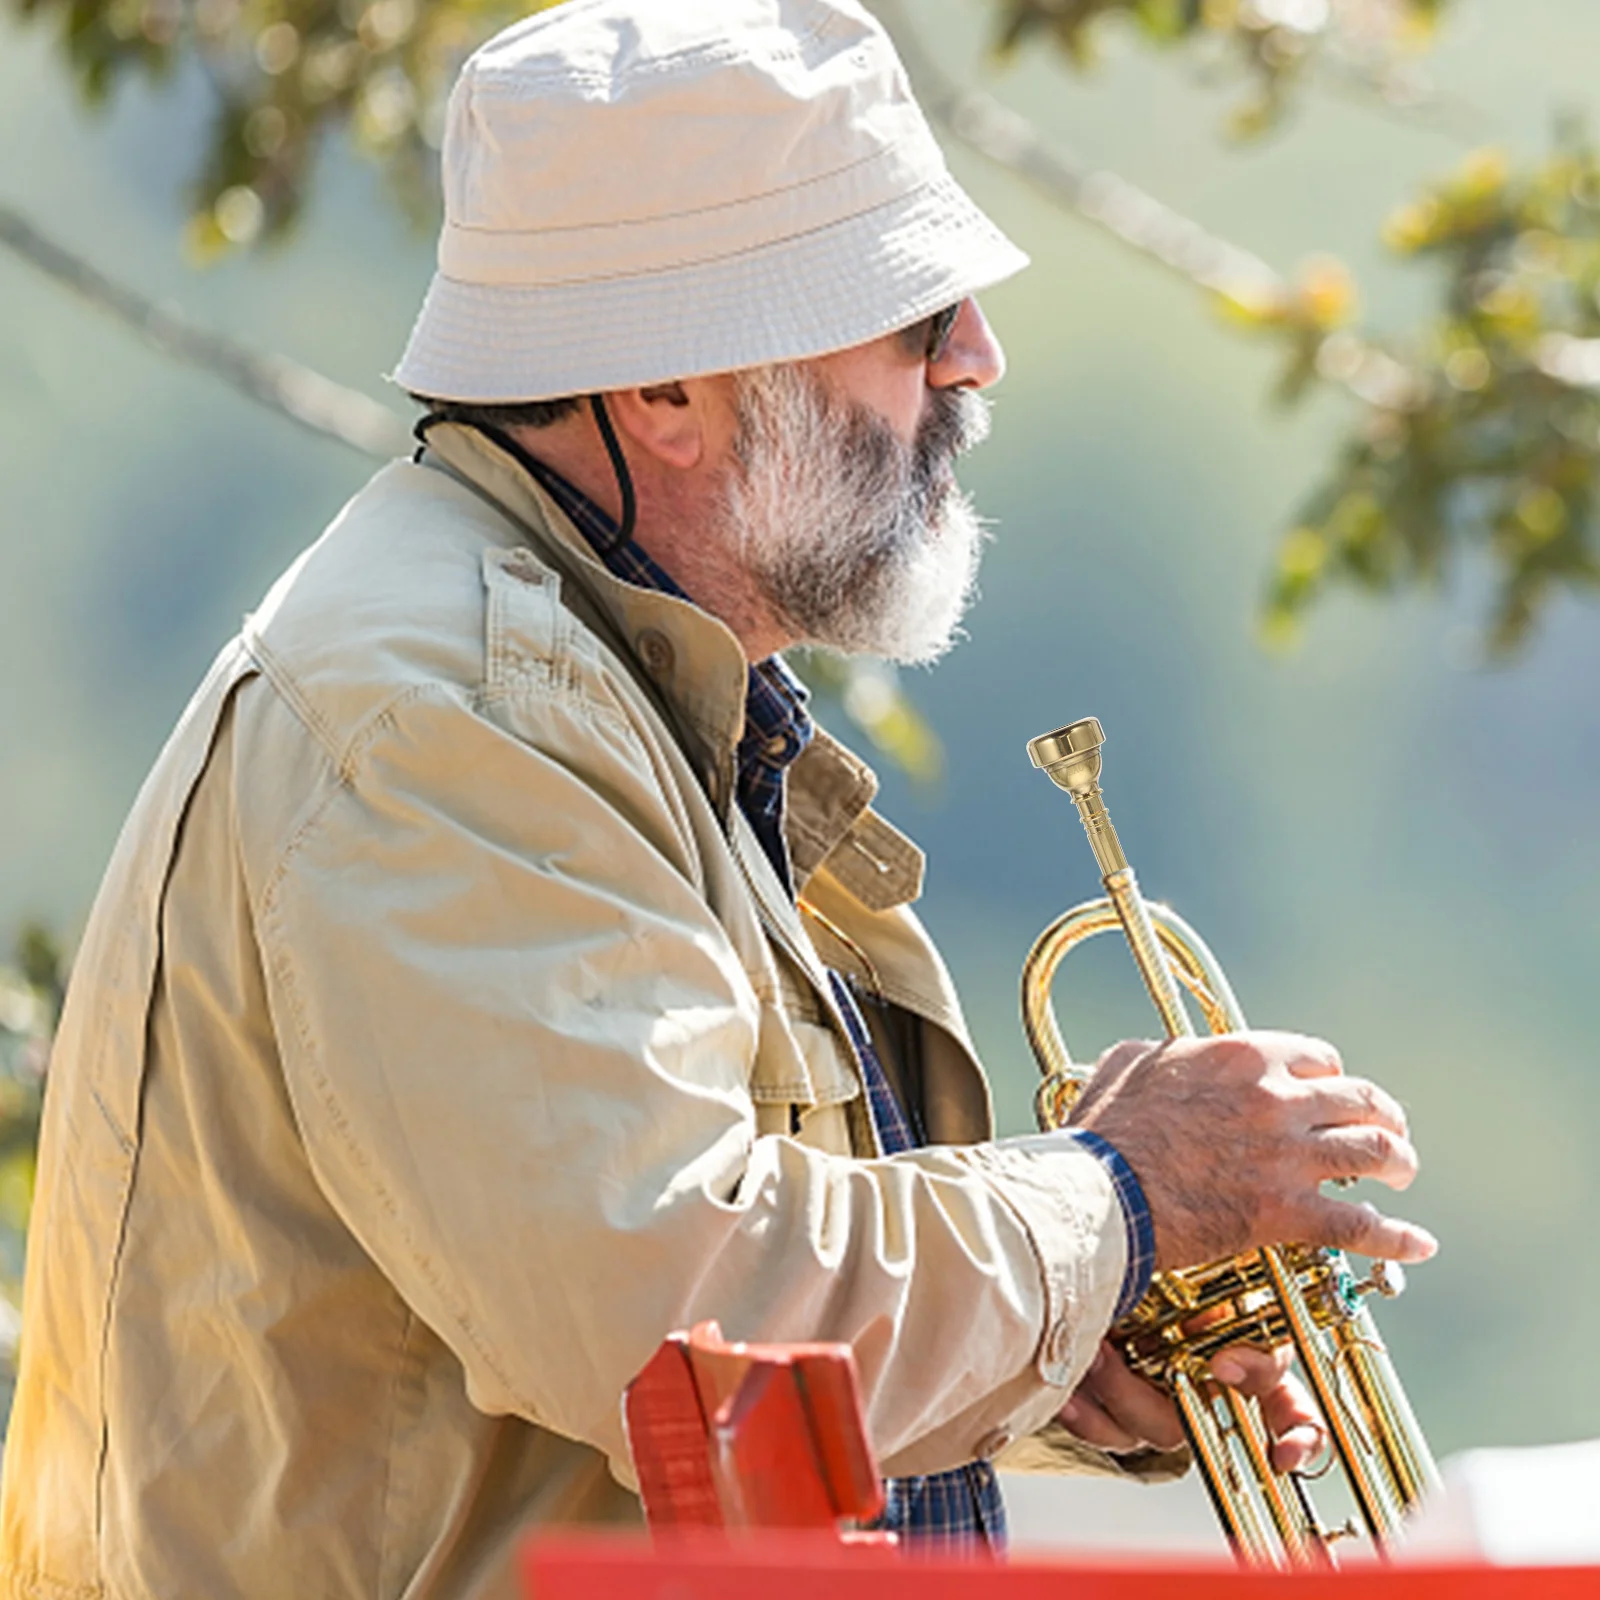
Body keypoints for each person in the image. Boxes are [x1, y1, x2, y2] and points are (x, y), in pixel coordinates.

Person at [0, 0, 1436, 1594]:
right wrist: (1118, 1195)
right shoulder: (454, 718)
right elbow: (678, 1325)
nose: (976, 354)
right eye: (906, 312)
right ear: (668, 394)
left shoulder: (576, 673)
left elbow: (685, 1337)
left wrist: (1067, 1339)